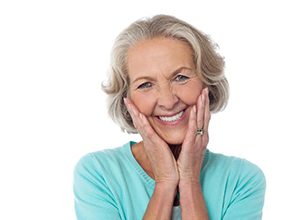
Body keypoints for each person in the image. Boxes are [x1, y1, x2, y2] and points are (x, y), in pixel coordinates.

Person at [73, 14, 266, 220]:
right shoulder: (98, 173)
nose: (167, 101)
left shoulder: (242, 180)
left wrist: (189, 180)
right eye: (145, 84)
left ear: (207, 85)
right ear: (126, 100)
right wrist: (165, 183)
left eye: (180, 77)